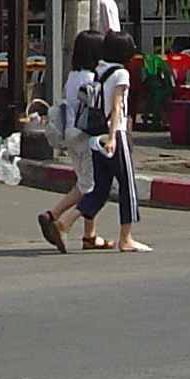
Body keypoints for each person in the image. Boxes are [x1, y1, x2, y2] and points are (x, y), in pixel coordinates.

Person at [75, 30, 148, 253]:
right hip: (114, 135)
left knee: (101, 188)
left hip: (96, 135)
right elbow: (117, 106)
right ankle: (126, 238)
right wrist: (114, 136)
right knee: (127, 186)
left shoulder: (100, 69)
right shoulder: (121, 74)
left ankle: (65, 221)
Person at [37, 29, 106, 251]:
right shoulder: (93, 79)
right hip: (86, 137)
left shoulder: (73, 76)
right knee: (91, 186)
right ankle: (54, 215)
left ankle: (90, 235)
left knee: (86, 181)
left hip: (71, 135)